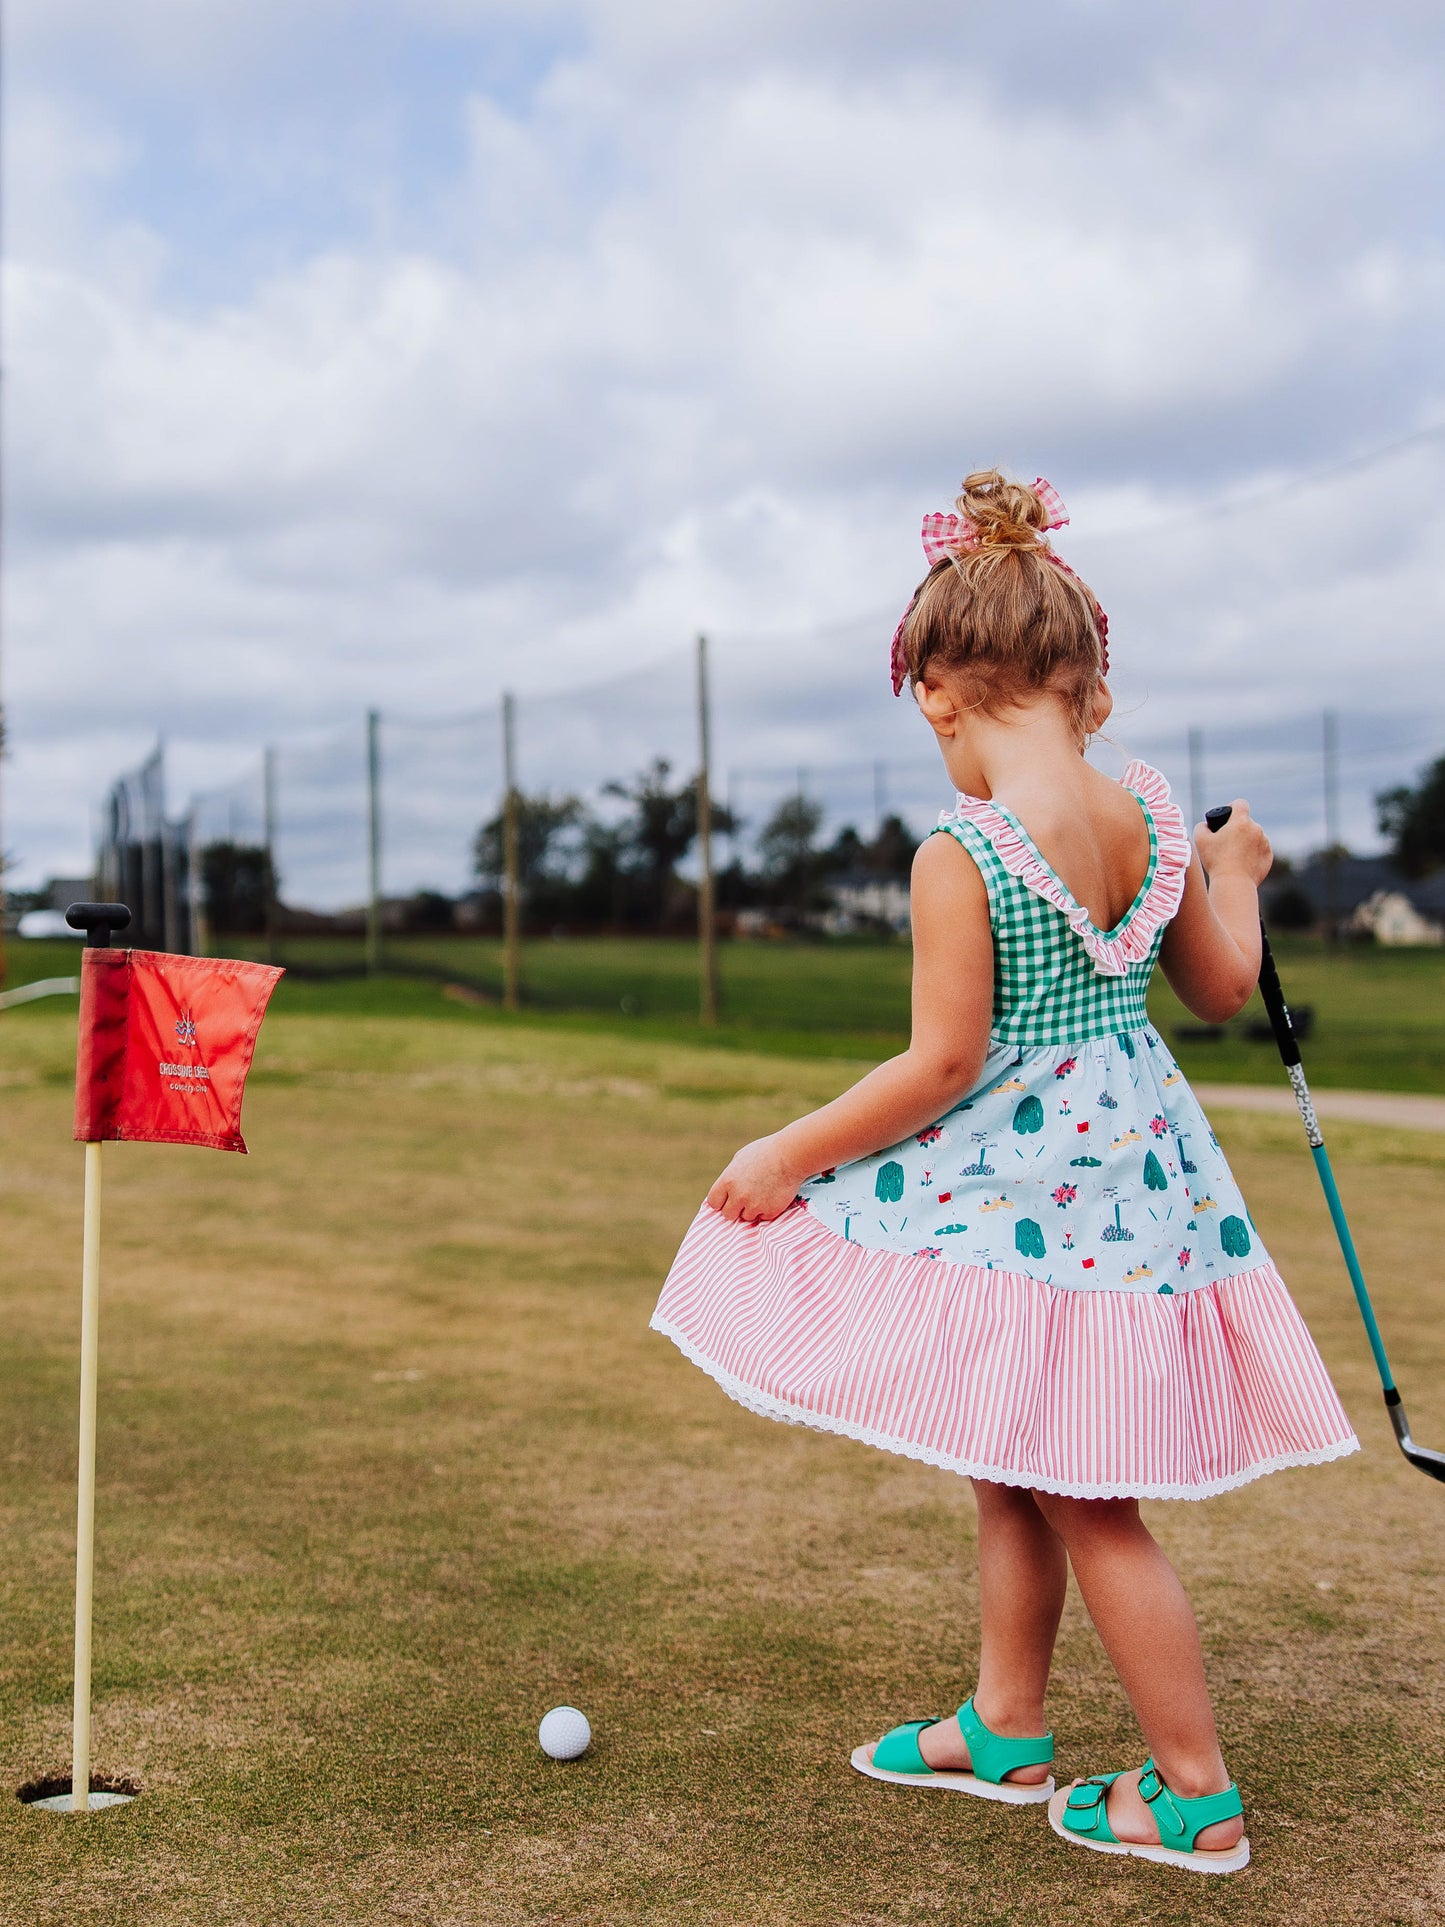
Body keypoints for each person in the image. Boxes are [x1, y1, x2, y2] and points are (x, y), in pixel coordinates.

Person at [651, 470, 1359, 1876]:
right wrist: (1243, 875)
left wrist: (784, 1152)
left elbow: (939, 1063)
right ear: (1087, 683)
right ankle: (1003, 1722)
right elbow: (1219, 990)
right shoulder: (1152, 816)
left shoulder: (962, 848)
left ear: (937, 695)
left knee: (1087, 1492)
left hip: (1036, 1209)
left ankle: (1194, 1792)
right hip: (1128, 1198)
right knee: (1009, 1458)